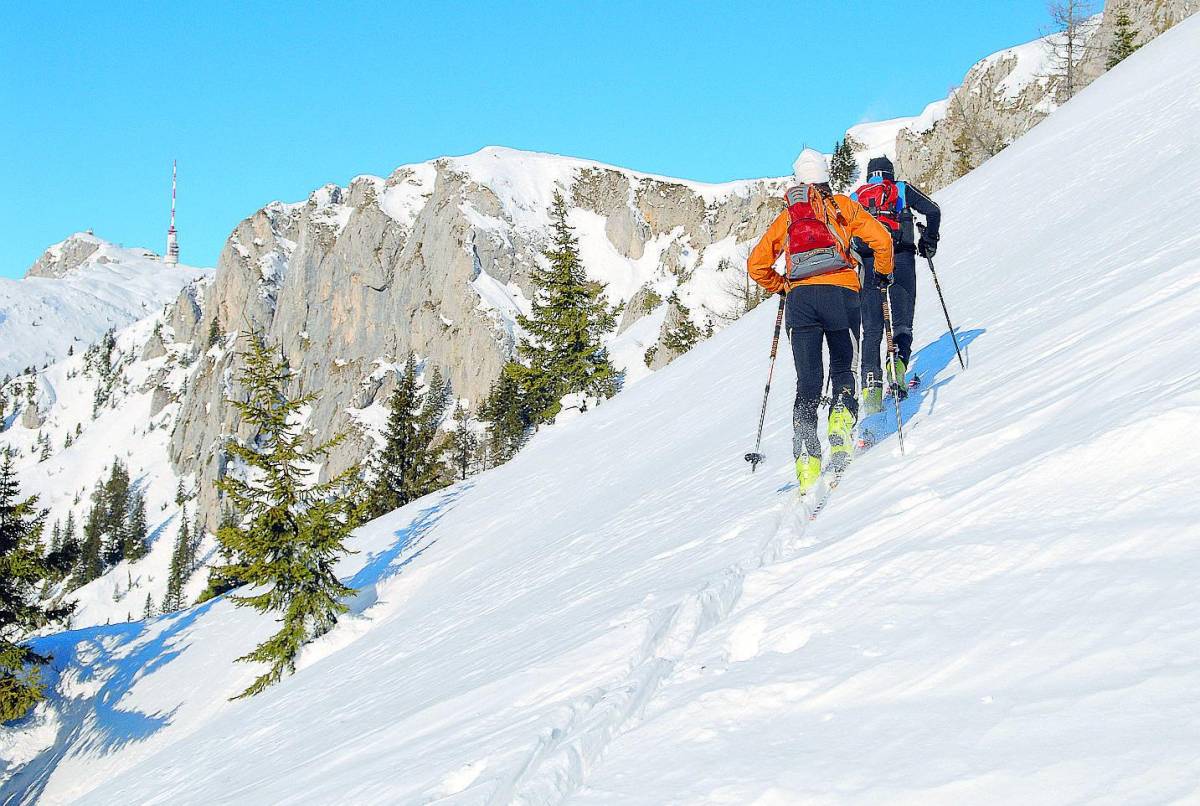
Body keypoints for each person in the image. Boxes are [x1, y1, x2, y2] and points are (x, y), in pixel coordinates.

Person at [747, 148, 894, 492]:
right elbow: (882, 240)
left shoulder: (788, 218)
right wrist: (882, 275)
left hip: (800, 302)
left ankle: (806, 458)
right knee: (844, 366)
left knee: (808, 381)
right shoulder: (843, 206)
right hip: (842, 294)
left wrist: (783, 285)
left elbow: (756, 265)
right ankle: (841, 426)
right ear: (826, 175)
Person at [851, 156, 941, 415]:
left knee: (871, 330)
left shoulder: (857, 197)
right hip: (901, 258)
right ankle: (897, 367)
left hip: (869, 265)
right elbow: (933, 210)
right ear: (890, 173)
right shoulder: (901, 189)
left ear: (869, 176)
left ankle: (871, 391)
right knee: (902, 322)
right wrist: (929, 240)